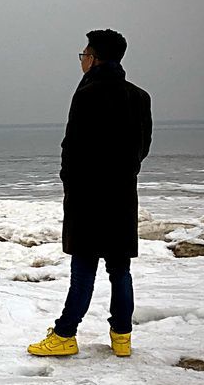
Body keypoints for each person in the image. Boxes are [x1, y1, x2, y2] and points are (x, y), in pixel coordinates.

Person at [28, 28, 152, 358]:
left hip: (88, 198)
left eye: (84, 54)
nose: (82, 60)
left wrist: (70, 183)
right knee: (120, 270)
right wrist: (123, 175)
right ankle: (122, 338)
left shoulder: (88, 94)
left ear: (94, 59)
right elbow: (143, 148)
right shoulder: (140, 97)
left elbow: (74, 148)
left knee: (83, 272)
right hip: (123, 196)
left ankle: (65, 334)